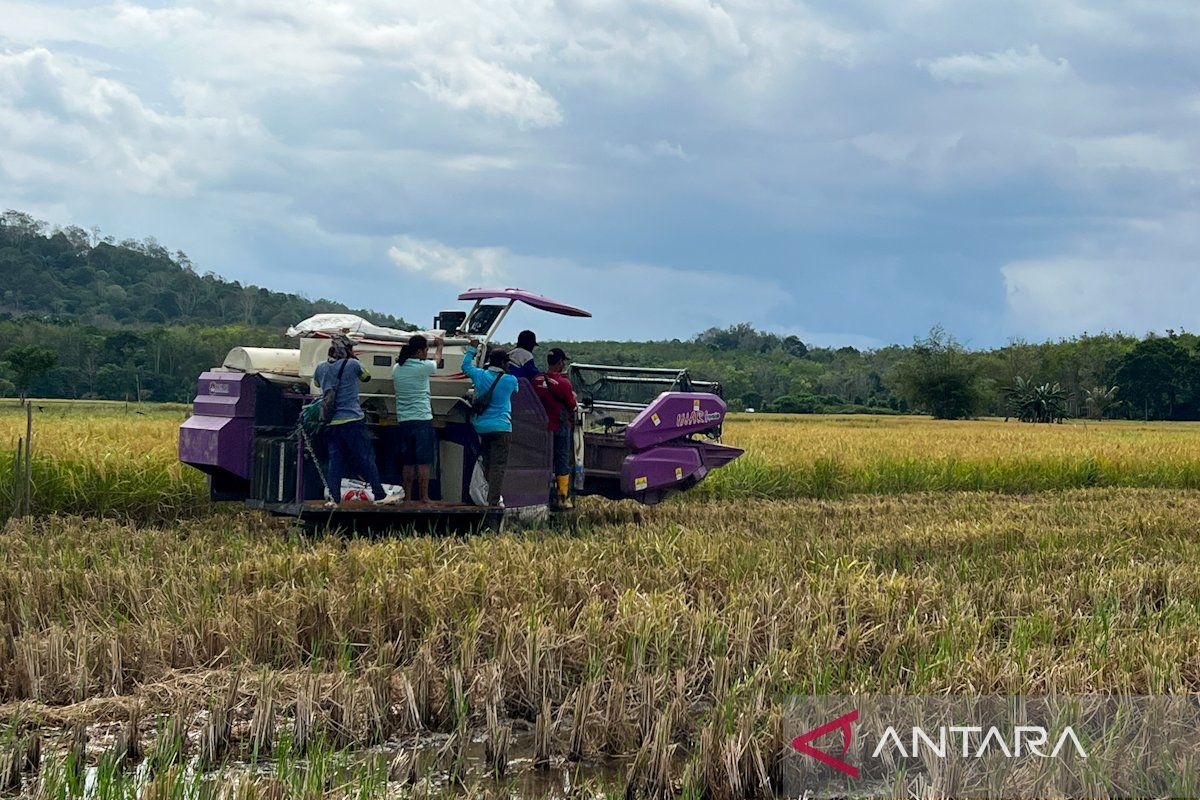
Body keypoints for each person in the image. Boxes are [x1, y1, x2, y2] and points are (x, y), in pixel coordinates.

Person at [313, 337, 401, 506]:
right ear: (347, 350)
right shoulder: (353, 364)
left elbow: (317, 383)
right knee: (366, 458)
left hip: (332, 422)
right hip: (352, 420)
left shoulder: (320, 367)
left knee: (335, 461)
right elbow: (366, 377)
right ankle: (379, 495)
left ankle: (333, 499)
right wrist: (353, 358)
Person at [462, 339, 519, 507]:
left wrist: (472, 349)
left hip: (482, 427)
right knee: (498, 465)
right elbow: (516, 390)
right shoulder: (511, 380)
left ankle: (484, 496)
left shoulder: (480, 375)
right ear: (503, 363)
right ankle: (493, 502)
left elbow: (465, 366)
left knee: (487, 462)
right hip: (502, 427)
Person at [392, 333, 443, 504]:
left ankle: (407, 497)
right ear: (420, 351)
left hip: (404, 420)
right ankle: (424, 497)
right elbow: (437, 361)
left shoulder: (397, 368)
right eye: (426, 350)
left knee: (407, 462)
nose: (427, 354)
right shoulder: (424, 367)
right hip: (422, 419)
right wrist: (440, 346)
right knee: (423, 461)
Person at [532, 347, 578, 510]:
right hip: (559, 426)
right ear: (559, 362)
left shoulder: (536, 380)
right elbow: (572, 405)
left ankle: (537, 493)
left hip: (540, 428)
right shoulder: (564, 383)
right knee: (562, 461)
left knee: (541, 460)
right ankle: (562, 498)